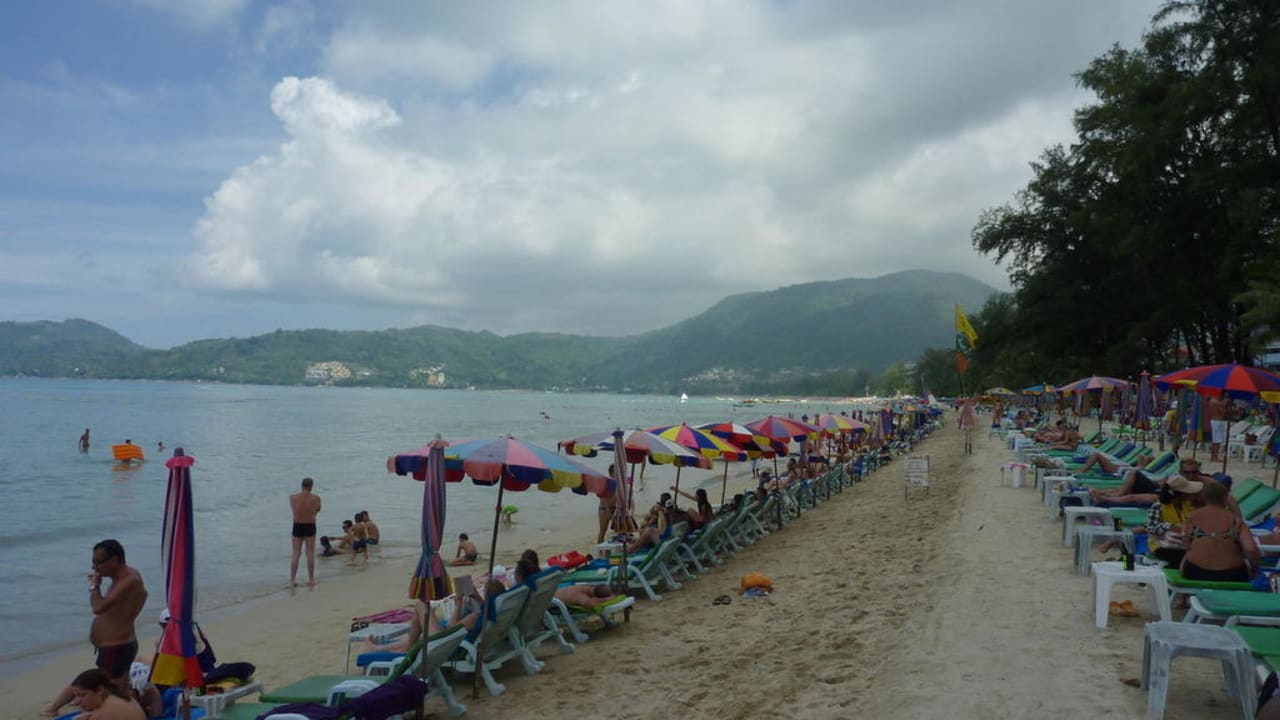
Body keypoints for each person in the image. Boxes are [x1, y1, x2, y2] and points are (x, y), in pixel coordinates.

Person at [88, 539, 148, 696]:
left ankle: (144, 703)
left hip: (116, 646)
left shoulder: (129, 580)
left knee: (112, 693)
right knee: (121, 691)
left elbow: (98, 608)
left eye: (97, 562)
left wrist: (94, 586)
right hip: (115, 646)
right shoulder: (121, 579)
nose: (94, 567)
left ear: (114, 560)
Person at [1181, 481, 1260, 581]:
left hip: (1195, 571)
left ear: (1204, 497)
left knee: (1186, 557)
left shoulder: (1193, 517)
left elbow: (1186, 543)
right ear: (1225, 498)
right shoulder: (1235, 521)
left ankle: (1182, 591)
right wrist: (1255, 568)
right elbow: (1250, 549)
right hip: (1231, 574)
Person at [1146, 475, 1204, 568]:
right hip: (1162, 546)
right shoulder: (1158, 506)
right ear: (1180, 494)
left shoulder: (1188, 505)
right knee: (1188, 559)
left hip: (1184, 544)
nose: (1190, 495)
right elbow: (1151, 528)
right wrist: (1170, 526)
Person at [65, 668, 145, 720]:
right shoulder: (120, 696)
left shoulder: (101, 715)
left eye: (83, 695)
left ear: (100, 690)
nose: (77, 702)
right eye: (76, 696)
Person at [289, 477, 322, 590]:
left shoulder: (293, 498)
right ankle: (311, 579)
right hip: (310, 525)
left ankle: (292, 580)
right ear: (311, 486)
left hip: (297, 525)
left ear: (302, 485)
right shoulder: (316, 498)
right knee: (310, 553)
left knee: (296, 553)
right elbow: (317, 510)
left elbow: (294, 510)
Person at [598, 466, 619, 544]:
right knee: (603, 530)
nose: (618, 474)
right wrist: (607, 510)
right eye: (616, 473)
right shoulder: (606, 482)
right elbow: (602, 497)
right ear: (611, 473)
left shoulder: (619, 482)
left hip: (615, 508)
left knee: (618, 530)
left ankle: (615, 546)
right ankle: (599, 548)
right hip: (604, 508)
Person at [1209, 395, 1228, 461]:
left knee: (1214, 441)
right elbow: (1222, 412)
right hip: (1218, 421)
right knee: (1217, 441)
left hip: (1213, 420)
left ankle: (1212, 456)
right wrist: (1224, 406)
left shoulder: (1211, 400)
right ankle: (1215, 457)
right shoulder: (1218, 402)